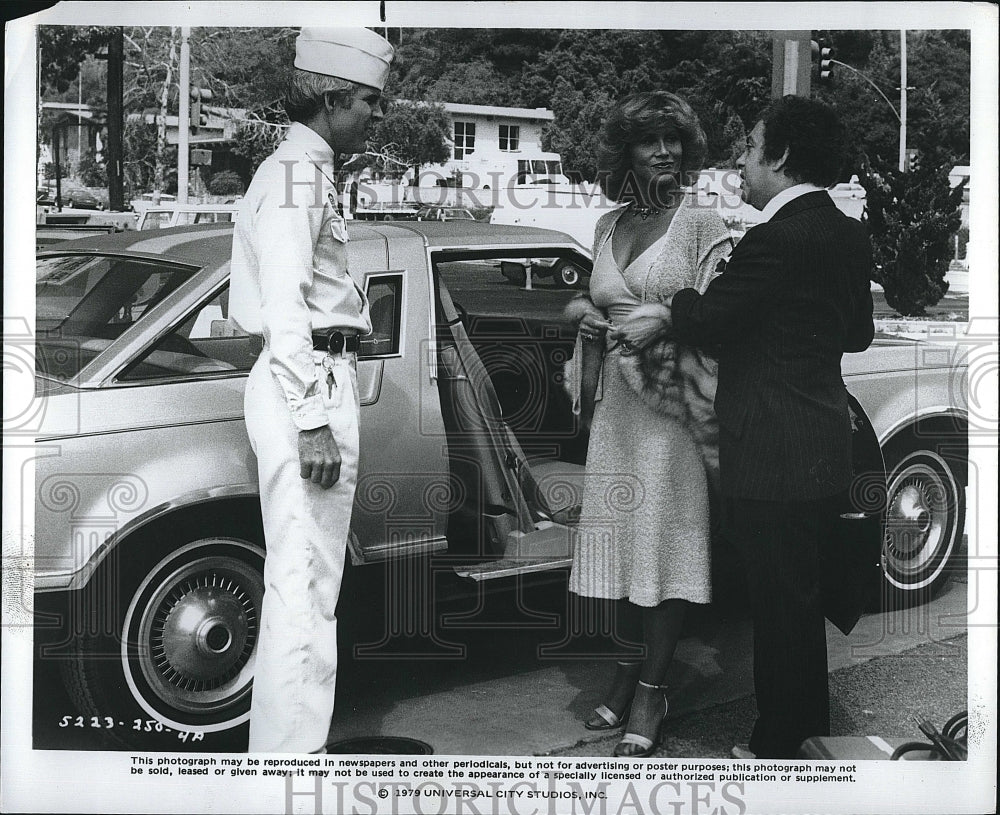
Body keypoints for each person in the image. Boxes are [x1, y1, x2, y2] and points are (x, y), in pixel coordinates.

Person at [668, 95, 875, 759]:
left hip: (769, 449)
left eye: (750, 146)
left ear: (780, 156)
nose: (740, 159)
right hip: (821, 442)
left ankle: (780, 744)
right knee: (800, 601)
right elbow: (860, 334)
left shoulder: (772, 239)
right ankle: (805, 729)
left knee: (778, 606)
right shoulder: (845, 231)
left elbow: (706, 321)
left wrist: (679, 292)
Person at [228, 27, 393, 753]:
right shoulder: (298, 172)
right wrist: (312, 418)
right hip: (310, 380)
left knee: (303, 583)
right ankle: (291, 766)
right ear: (331, 97)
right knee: (303, 587)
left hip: (316, 375)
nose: (376, 116)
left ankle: (287, 752)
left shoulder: (306, 169)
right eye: (367, 101)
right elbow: (288, 306)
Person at [565, 91, 733, 758]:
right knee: (624, 551)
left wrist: (663, 325)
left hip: (675, 414)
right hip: (616, 409)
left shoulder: (701, 221)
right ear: (625, 152)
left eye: (673, 139)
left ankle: (652, 690)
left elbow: (722, 319)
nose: (664, 150)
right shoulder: (606, 223)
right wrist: (582, 310)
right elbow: (600, 301)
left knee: (664, 550)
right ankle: (628, 667)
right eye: (649, 140)